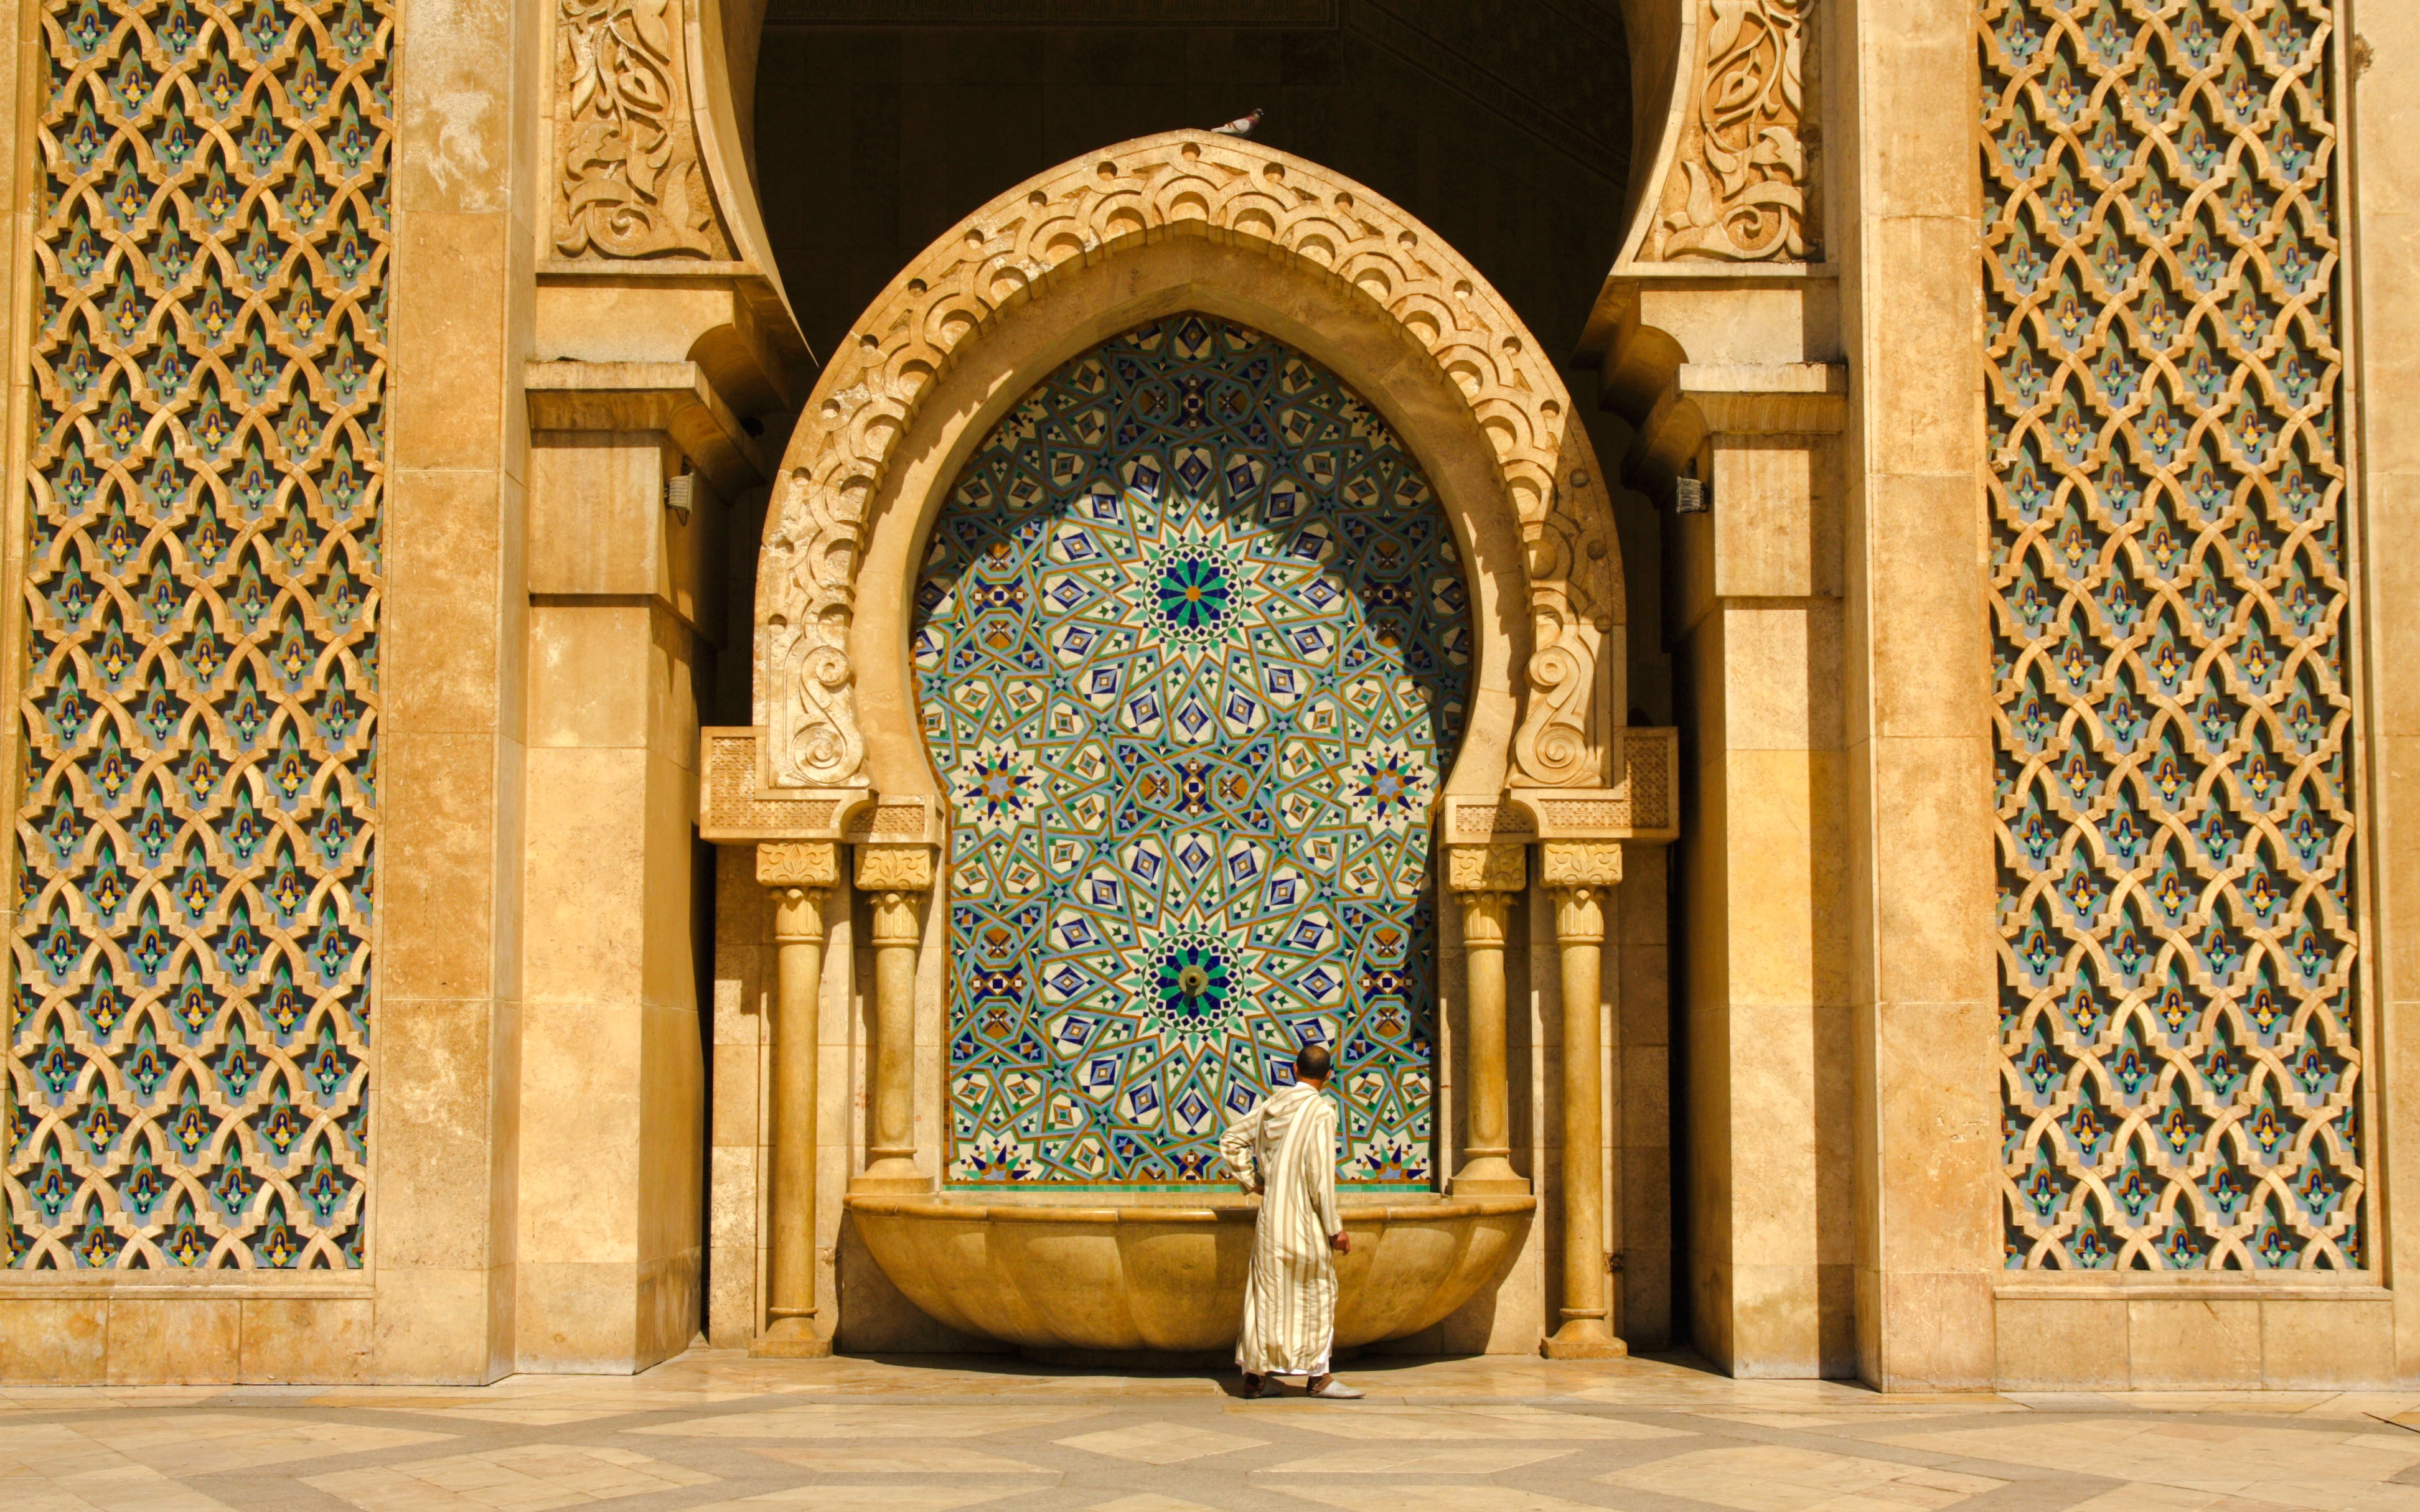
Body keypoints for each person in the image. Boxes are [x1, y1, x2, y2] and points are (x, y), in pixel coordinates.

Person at [1219, 1044, 1364, 1399]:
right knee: (1317, 1291)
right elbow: (1320, 1177)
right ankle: (1319, 1379)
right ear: (1328, 1077)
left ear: (1294, 1070)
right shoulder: (1321, 1111)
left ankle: (1255, 1379)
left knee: (1266, 1294)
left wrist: (1254, 1181)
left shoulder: (1273, 1104)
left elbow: (1231, 1139)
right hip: (1303, 1218)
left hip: (1271, 1218)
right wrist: (1335, 1228)